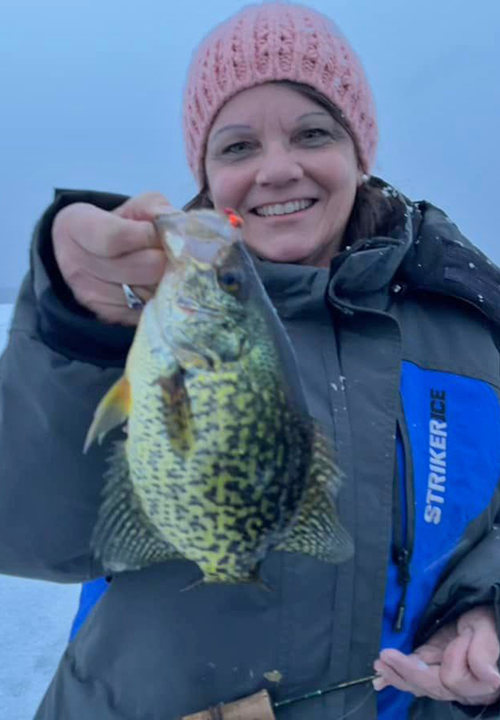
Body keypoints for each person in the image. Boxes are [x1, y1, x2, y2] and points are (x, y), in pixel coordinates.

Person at [1, 3, 500, 719]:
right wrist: (73, 332)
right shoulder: (132, 314)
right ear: (203, 173)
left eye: (313, 133)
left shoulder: (472, 335)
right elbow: (27, 533)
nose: (276, 168)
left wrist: (488, 608)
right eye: (236, 147)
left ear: (362, 152)